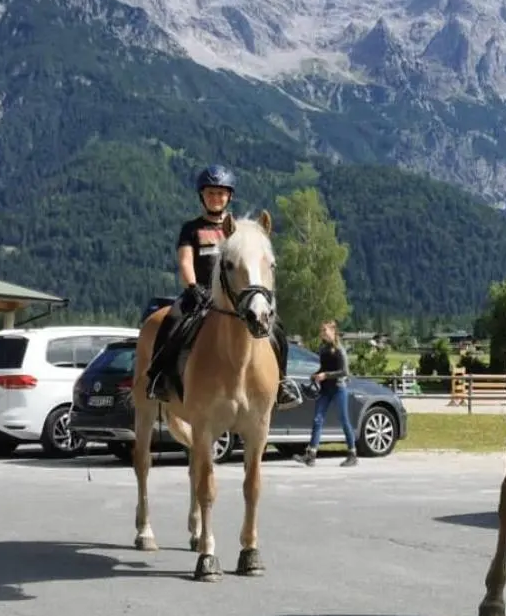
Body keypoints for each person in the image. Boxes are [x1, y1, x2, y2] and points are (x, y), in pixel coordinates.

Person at [147, 164, 300, 406]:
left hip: (236, 296)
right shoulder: (192, 229)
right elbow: (186, 261)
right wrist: (192, 287)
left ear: (229, 196)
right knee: (173, 323)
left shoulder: (240, 231)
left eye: (220, 193)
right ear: (202, 196)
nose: (216, 198)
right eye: (210, 193)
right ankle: (159, 377)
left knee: (277, 329)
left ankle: (281, 383)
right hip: (200, 293)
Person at [300, 320, 358, 467]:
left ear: (333, 332)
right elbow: (323, 367)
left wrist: (325, 375)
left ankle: (352, 454)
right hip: (325, 390)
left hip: (339, 389)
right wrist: (316, 375)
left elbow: (344, 372)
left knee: (344, 420)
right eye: (322, 331)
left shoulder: (339, 349)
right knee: (317, 420)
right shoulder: (323, 349)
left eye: (325, 330)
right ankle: (311, 454)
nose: (323, 333)